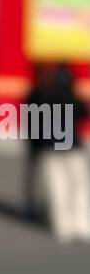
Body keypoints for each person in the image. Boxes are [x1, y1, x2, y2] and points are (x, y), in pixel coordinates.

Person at [24, 64, 90, 241]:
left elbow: (31, 119)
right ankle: (81, 224)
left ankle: (63, 227)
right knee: (78, 186)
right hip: (71, 146)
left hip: (48, 147)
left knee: (57, 187)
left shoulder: (39, 93)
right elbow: (83, 113)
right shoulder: (71, 95)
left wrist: (34, 146)